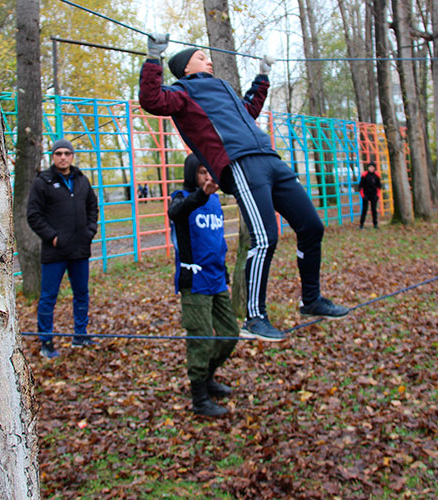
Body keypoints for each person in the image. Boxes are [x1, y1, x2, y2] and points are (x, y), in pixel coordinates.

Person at [139, 34, 349, 343]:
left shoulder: (223, 88)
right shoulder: (181, 92)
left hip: (269, 158)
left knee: (312, 226)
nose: (209, 60)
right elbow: (152, 100)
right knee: (265, 239)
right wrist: (153, 57)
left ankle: (311, 300)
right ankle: (255, 317)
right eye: (201, 56)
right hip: (239, 164)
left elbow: (248, 110)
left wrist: (263, 74)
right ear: (185, 68)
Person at [168, 154, 239, 417]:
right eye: (201, 172)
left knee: (230, 332)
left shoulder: (216, 201)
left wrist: (226, 276)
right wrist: (201, 193)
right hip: (194, 282)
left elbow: (218, 243)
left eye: (210, 171)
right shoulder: (181, 197)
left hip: (217, 279)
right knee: (201, 338)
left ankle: (207, 376)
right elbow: (177, 212)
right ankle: (199, 398)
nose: (208, 177)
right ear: (191, 174)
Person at [27, 138, 100, 359]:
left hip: (80, 250)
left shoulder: (81, 180)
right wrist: (53, 237)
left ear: (72, 156)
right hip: (55, 252)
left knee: (81, 294)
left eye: (67, 153)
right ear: (53, 156)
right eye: (58, 153)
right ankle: (46, 342)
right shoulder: (43, 182)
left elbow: (92, 207)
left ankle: (80, 335)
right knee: (49, 297)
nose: (63, 157)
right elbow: (33, 215)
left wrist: (89, 232)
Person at [357, 162, 381, 229]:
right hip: (366, 195)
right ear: (368, 168)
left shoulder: (377, 176)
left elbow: (379, 186)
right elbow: (360, 186)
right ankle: (361, 224)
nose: (371, 168)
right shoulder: (364, 175)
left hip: (374, 195)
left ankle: (375, 224)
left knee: (374, 210)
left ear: (374, 168)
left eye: (372, 167)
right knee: (364, 210)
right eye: (370, 167)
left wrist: (377, 195)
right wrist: (363, 195)